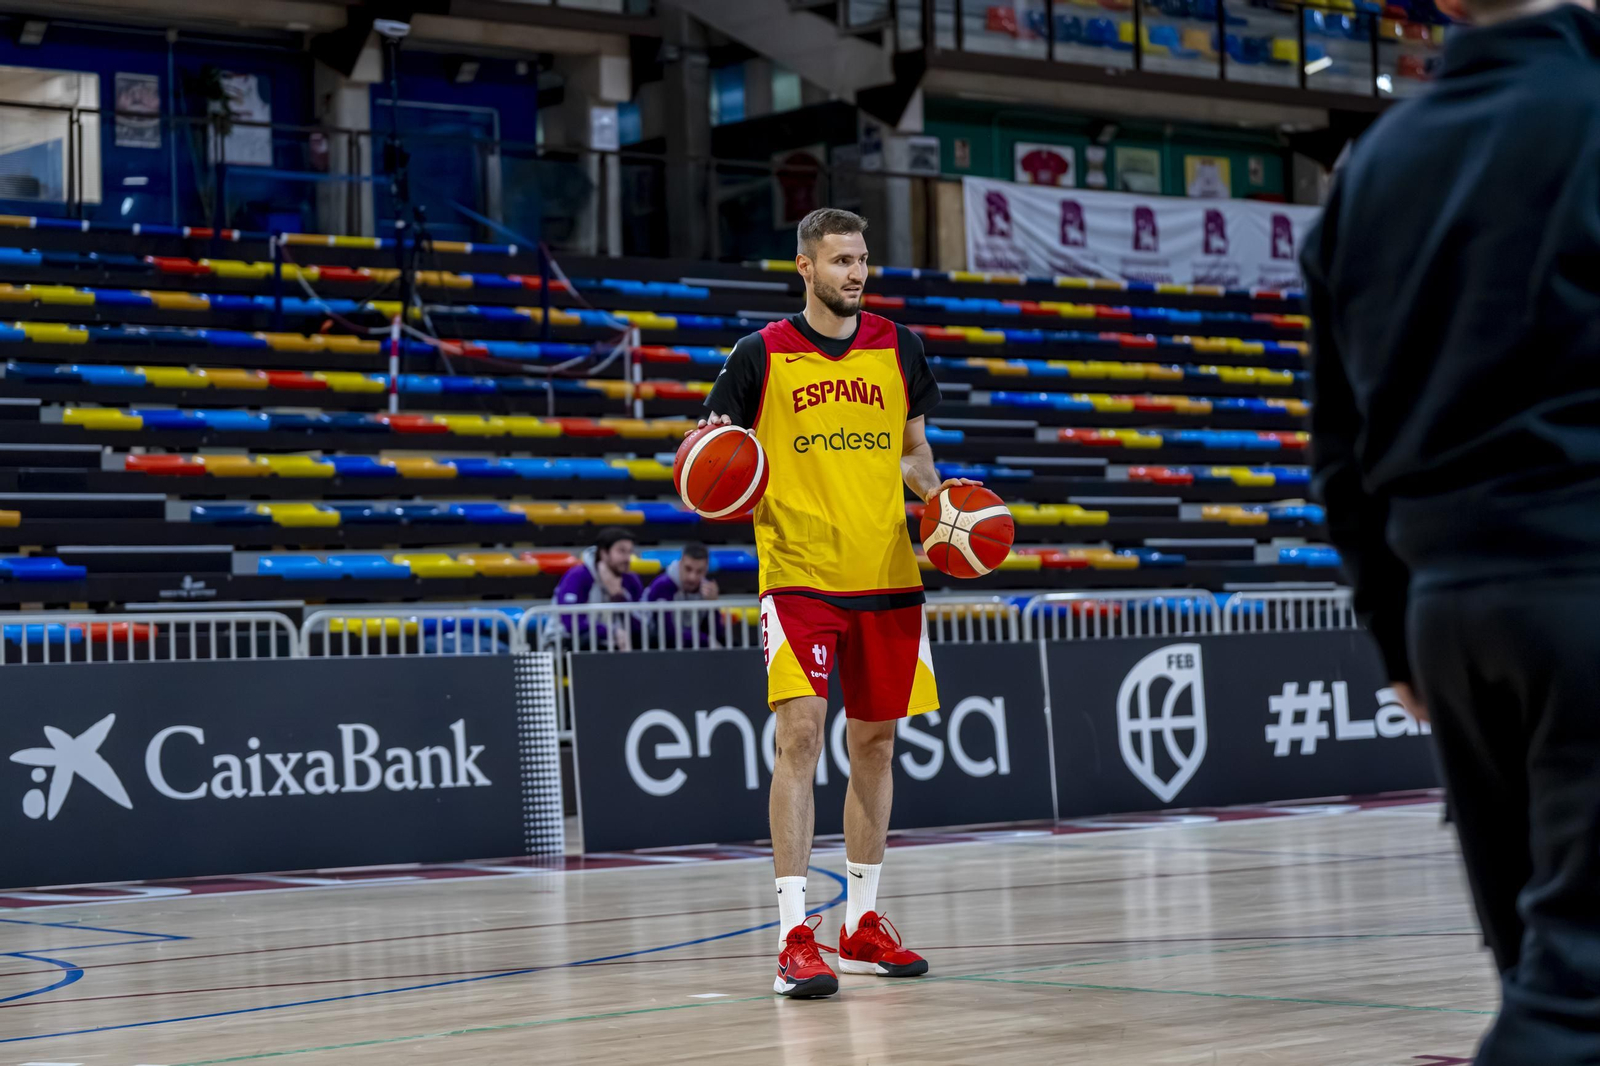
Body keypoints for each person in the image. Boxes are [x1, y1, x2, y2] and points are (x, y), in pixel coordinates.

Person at [1301, 3, 1600, 1062]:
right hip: (1578, 575)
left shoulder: (1373, 165)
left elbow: (1336, 454)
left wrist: (1397, 630)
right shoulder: (1584, 112)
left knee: (1537, 966)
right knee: (1571, 1001)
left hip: (1449, 615)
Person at [701, 207, 978, 998]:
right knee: (800, 736)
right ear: (805, 268)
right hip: (799, 573)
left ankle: (861, 922)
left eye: (862, 260)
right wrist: (712, 456)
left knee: (877, 745)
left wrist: (943, 501)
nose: (856, 273)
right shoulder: (760, 355)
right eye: (840, 261)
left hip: (889, 572)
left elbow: (915, 450)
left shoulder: (900, 346)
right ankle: (795, 937)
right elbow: (712, 448)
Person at [550, 527, 642, 650]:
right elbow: (571, 623)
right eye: (621, 551)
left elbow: (640, 626)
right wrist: (612, 632)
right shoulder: (577, 576)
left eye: (629, 552)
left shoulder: (631, 580)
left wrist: (618, 596)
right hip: (567, 644)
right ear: (604, 553)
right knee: (588, 640)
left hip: (616, 644)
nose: (627, 558)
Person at [642, 542, 722, 647]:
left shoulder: (706, 590)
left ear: (706, 570)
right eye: (688, 569)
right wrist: (706, 641)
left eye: (699, 571)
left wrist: (713, 606)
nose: (692, 577)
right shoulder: (662, 586)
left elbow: (717, 635)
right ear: (679, 564)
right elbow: (667, 633)